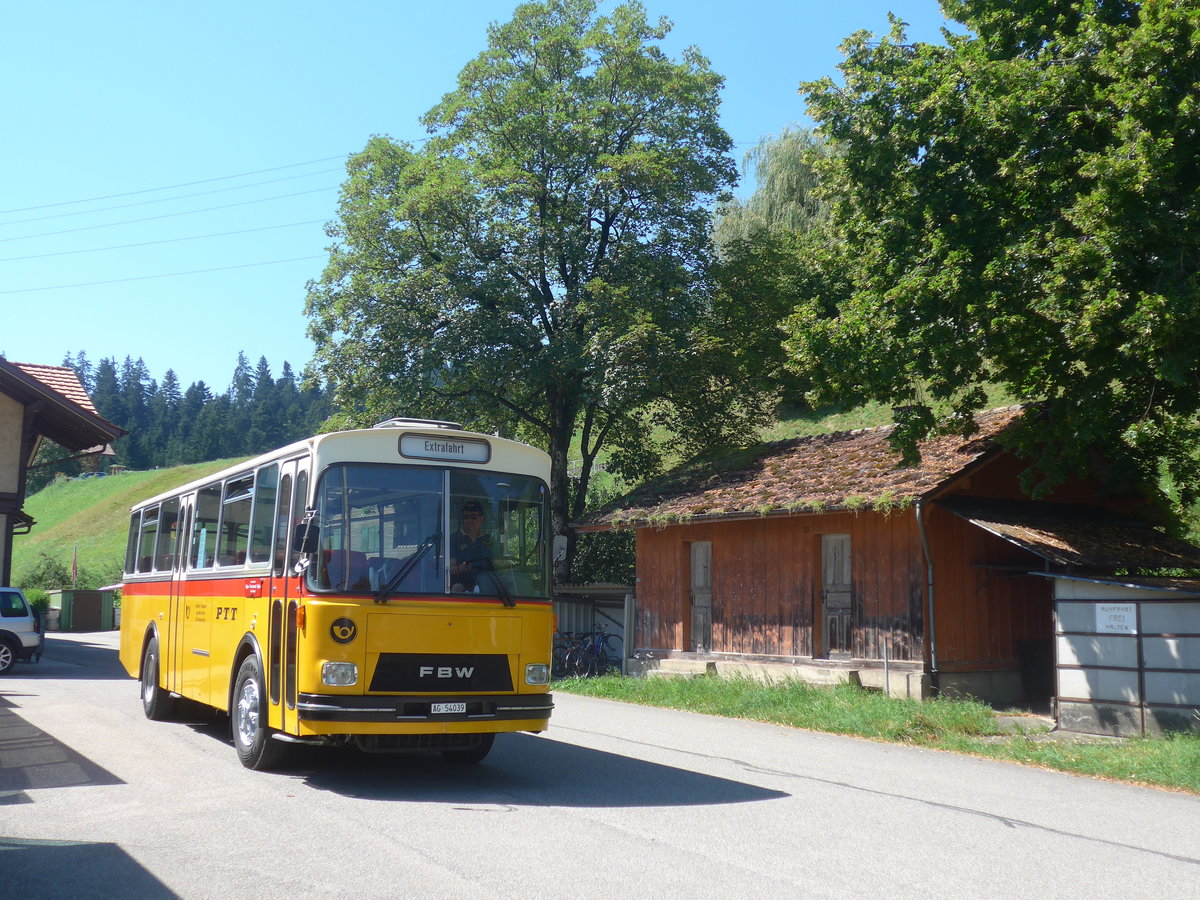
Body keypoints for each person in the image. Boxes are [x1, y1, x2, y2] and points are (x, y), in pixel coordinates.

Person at [450, 500, 494, 592]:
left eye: (473, 517)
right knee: (457, 588)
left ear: (481, 519)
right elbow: (448, 569)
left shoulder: (489, 539)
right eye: (466, 517)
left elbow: (499, 564)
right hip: (463, 585)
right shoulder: (454, 539)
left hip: (489, 584)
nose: (469, 520)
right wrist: (460, 568)